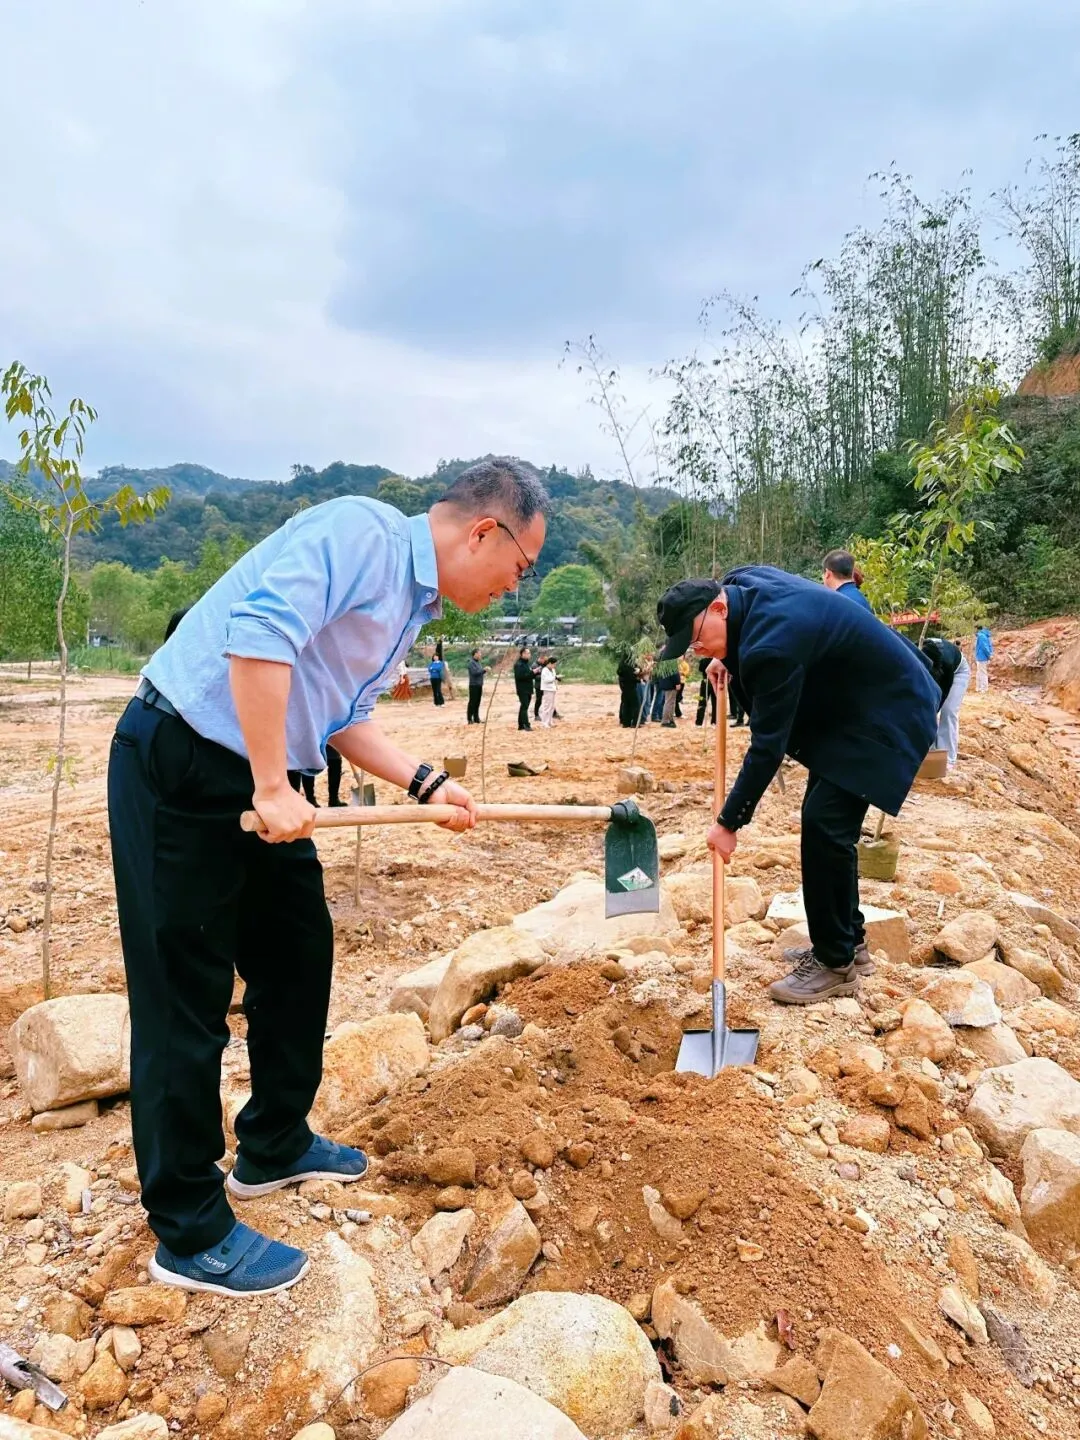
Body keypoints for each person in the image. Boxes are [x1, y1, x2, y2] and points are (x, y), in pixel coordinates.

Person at [107, 457, 547, 1296]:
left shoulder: (410, 605)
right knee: (183, 995)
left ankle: (274, 1142)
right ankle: (188, 1230)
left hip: (261, 775)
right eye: (520, 566)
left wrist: (426, 783)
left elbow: (340, 715)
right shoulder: (363, 534)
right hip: (184, 758)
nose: (512, 587)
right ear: (484, 532)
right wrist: (272, 785)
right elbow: (259, 635)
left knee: (298, 956)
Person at [656, 566, 937, 1005]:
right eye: (690, 646)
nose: (697, 650)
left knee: (825, 825)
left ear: (718, 608)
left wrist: (728, 823)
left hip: (889, 710)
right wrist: (723, 654)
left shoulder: (772, 645)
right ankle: (849, 943)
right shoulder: (740, 584)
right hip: (853, 706)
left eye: (696, 639)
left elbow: (767, 747)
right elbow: (736, 608)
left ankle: (835, 963)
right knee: (827, 826)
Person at [922, 636, 971, 769]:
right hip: (938, 668)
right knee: (926, 710)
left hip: (958, 672)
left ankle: (948, 759)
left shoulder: (946, 663)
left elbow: (942, 695)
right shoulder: (914, 654)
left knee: (948, 711)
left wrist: (931, 712)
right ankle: (929, 752)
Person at [513, 646, 534, 730]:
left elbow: (528, 675)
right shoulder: (519, 664)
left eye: (529, 653)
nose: (529, 655)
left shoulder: (526, 663)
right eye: (527, 653)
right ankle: (526, 725)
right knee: (524, 706)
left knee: (524, 706)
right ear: (522, 654)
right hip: (522, 689)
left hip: (528, 688)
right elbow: (520, 676)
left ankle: (521, 725)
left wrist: (534, 673)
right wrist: (532, 673)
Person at [616, 654, 639, 728]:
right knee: (635, 705)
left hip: (624, 687)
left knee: (626, 705)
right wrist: (638, 679)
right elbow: (632, 677)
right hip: (631, 687)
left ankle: (626, 723)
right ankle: (635, 723)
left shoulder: (621, 665)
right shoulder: (629, 666)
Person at [466, 648, 488, 724]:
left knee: (477, 702)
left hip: (479, 685)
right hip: (473, 685)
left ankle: (476, 718)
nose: (480, 655)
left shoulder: (478, 663)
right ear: (475, 654)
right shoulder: (471, 663)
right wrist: (484, 670)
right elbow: (474, 673)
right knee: (472, 702)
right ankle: (469, 719)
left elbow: (479, 672)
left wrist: (484, 671)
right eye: (479, 653)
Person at [695, 655, 717, 727]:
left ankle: (698, 723)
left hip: (705, 682)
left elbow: (700, 669)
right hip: (715, 682)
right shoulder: (716, 661)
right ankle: (714, 722)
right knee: (715, 703)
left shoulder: (703, 661)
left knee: (702, 702)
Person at [538, 655, 558, 727]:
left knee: (552, 706)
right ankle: (544, 722)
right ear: (549, 663)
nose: (555, 666)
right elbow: (546, 680)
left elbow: (553, 678)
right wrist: (554, 678)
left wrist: (557, 678)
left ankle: (550, 721)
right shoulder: (544, 670)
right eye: (554, 664)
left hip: (553, 689)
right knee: (547, 706)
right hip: (547, 689)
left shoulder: (553, 670)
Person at [975, 625, 993, 692]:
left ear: (977, 629)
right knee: (979, 672)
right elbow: (989, 646)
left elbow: (984, 647)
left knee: (982, 673)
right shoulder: (984, 635)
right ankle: (979, 688)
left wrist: (989, 655)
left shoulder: (981, 636)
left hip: (982, 657)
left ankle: (984, 689)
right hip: (981, 657)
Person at [532, 653, 545, 721]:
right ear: (540, 658)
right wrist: (543, 676)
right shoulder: (534, 665)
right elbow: (534, 677)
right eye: (544, 659)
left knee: (549, 699)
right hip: (539, 686)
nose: (544, 661)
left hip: (545, 685)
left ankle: (554, 713)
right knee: (539, 701)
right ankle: (536, 715)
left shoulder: (544, 664)